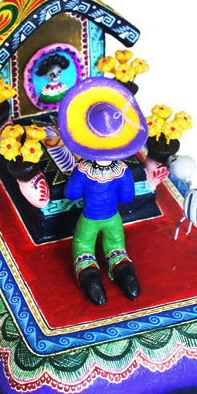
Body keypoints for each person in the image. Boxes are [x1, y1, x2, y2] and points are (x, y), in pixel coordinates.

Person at [58, 77, 148, 306]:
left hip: (89, 219)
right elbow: (127, 197)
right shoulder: (122, 170)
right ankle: (125, 273)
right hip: (113, 218)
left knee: (83, 246)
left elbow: (71, 194)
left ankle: (91, 279)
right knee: (117, 246)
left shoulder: (83, 170)